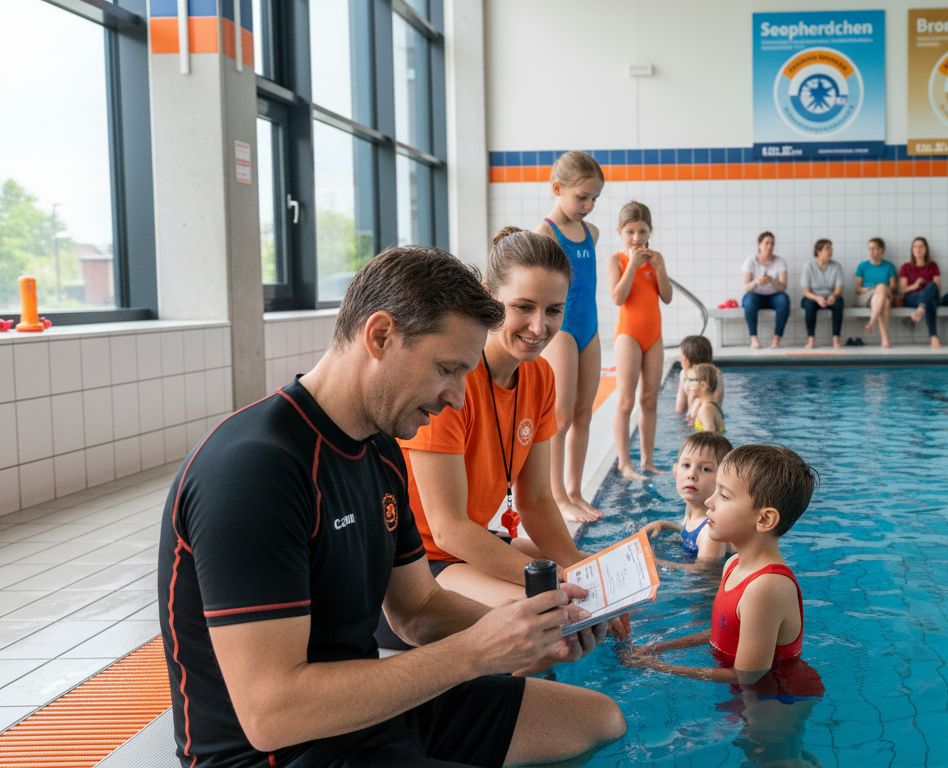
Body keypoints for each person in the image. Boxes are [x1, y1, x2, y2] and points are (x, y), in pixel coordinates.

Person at [158, 246, 625, 767]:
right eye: (447, 370)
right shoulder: (254, 470)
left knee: (597, 720)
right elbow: (271, 714)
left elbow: (418, 611)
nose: (456, 397)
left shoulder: (379, 449)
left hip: (365, 716)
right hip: (280, 752)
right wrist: (474, 653)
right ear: (379, 336)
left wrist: (532, 635)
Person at [387, 228, 605, 617]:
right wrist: (556, 581)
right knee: (545, 614)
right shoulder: (451, 381)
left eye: (553, 310)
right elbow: (448, 528)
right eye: (523, 307)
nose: (539, 328)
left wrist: (577, 568)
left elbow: (536, 501)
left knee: (590, 572)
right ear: (489, 296)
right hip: (416, 562)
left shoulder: (539, 378)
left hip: (469, 543)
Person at [619, 445, 817, 686]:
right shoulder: (733, 564)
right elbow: (723, 634)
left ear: (764, 519)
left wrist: (660, 667)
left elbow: (747, 675)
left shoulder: (766, 587)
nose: (709, 502)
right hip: (743, 695)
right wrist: (659, 648)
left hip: (775, 702)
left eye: (723, 496)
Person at [537, 150, 605, 522]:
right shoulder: (546, 232)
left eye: (595, 198)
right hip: (561, 329)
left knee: (583, 413)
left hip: (589, 326)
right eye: (582, 197)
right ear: (557, 188)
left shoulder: (592, 233)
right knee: (560, 417)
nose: (589, 205)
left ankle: (575, 491)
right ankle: (556, 494)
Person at [609, 201, 673, 479]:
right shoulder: (618, 261)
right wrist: (632, 266)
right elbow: (617, 298)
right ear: (620, 232)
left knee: (650, 399)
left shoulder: (656, 258)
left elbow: (667, 297)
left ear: (650, 231)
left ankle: (647, 462)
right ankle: (625, 464)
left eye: (642, 231)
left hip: (654, 336)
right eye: (631, 232)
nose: (637, 238)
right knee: (625, 401)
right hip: (628, 336)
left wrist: (658, 267)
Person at [640, 432, 734, 568]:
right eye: (686, 465)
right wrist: (664, 524)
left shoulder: (711, 532)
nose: (692, 475)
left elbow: (704, 572)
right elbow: (692, 535)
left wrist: (656, 563)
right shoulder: (694, 510)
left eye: (705, 469)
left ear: (724, 480)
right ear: (675, 471)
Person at [741, 232, 790, 349]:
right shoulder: (750, 261)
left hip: (774, 296)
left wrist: (773, 281)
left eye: (772, 243)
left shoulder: (780, 261)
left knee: (784, 299)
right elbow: (745, 287)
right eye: (766, 243)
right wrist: (756, 282)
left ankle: (776, 339)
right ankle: (754, 339)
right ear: (759, 245)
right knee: (749, 301)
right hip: (755, 295)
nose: (770, 246)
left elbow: (783, 287)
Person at [799, 238, 845, 349]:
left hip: (830, 296)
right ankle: (811, 339)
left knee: (839, 303)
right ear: (818, 251)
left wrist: (833, 296)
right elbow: (805, 291)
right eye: (827, 249)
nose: (830, 251)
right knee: (809, 305)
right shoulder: (808, 266)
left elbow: (839, 288)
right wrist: (817, 298)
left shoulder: (837, 266)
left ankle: (836, 338)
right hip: (812, 297)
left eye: (831, 249)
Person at [898, 236, 942, 349]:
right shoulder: (905, 267)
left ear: (926, 249)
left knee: (932, 286)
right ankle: (933, 337)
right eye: (915, 246)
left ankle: (920, 310)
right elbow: (902, 290)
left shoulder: (933, 266)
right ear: (912, 250)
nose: (918, 249)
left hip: (929, 296)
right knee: (929, 301)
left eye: (921, 246)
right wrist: (915, 285)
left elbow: (938, 287)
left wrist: (926, 290)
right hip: (912, 298)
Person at [854, 237, 898, 349]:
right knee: (886, 303)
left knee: (882, 287)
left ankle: (872, 320)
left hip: (885, 292)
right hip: (866, 295)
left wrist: (880, 288)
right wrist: (872, 289)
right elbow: (857, 288)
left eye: (874, 248)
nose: (871, 251)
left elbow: (893, 287)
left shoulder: (889, 266)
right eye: (869, 249)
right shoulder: (862, 266)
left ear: (882, 250)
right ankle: (884, 338)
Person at [675, 335, 715, 422]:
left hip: (706, 419)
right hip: (698, 419)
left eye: (680, 356)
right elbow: (680, 406)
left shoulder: (713, 377)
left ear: (686, 359)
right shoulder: (683, 374)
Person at [687, 363, 725, 433]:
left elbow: (710, 436)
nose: (688, 384)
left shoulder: (705, 409)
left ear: (703, 385)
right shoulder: (711, 406)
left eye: (691, 380)